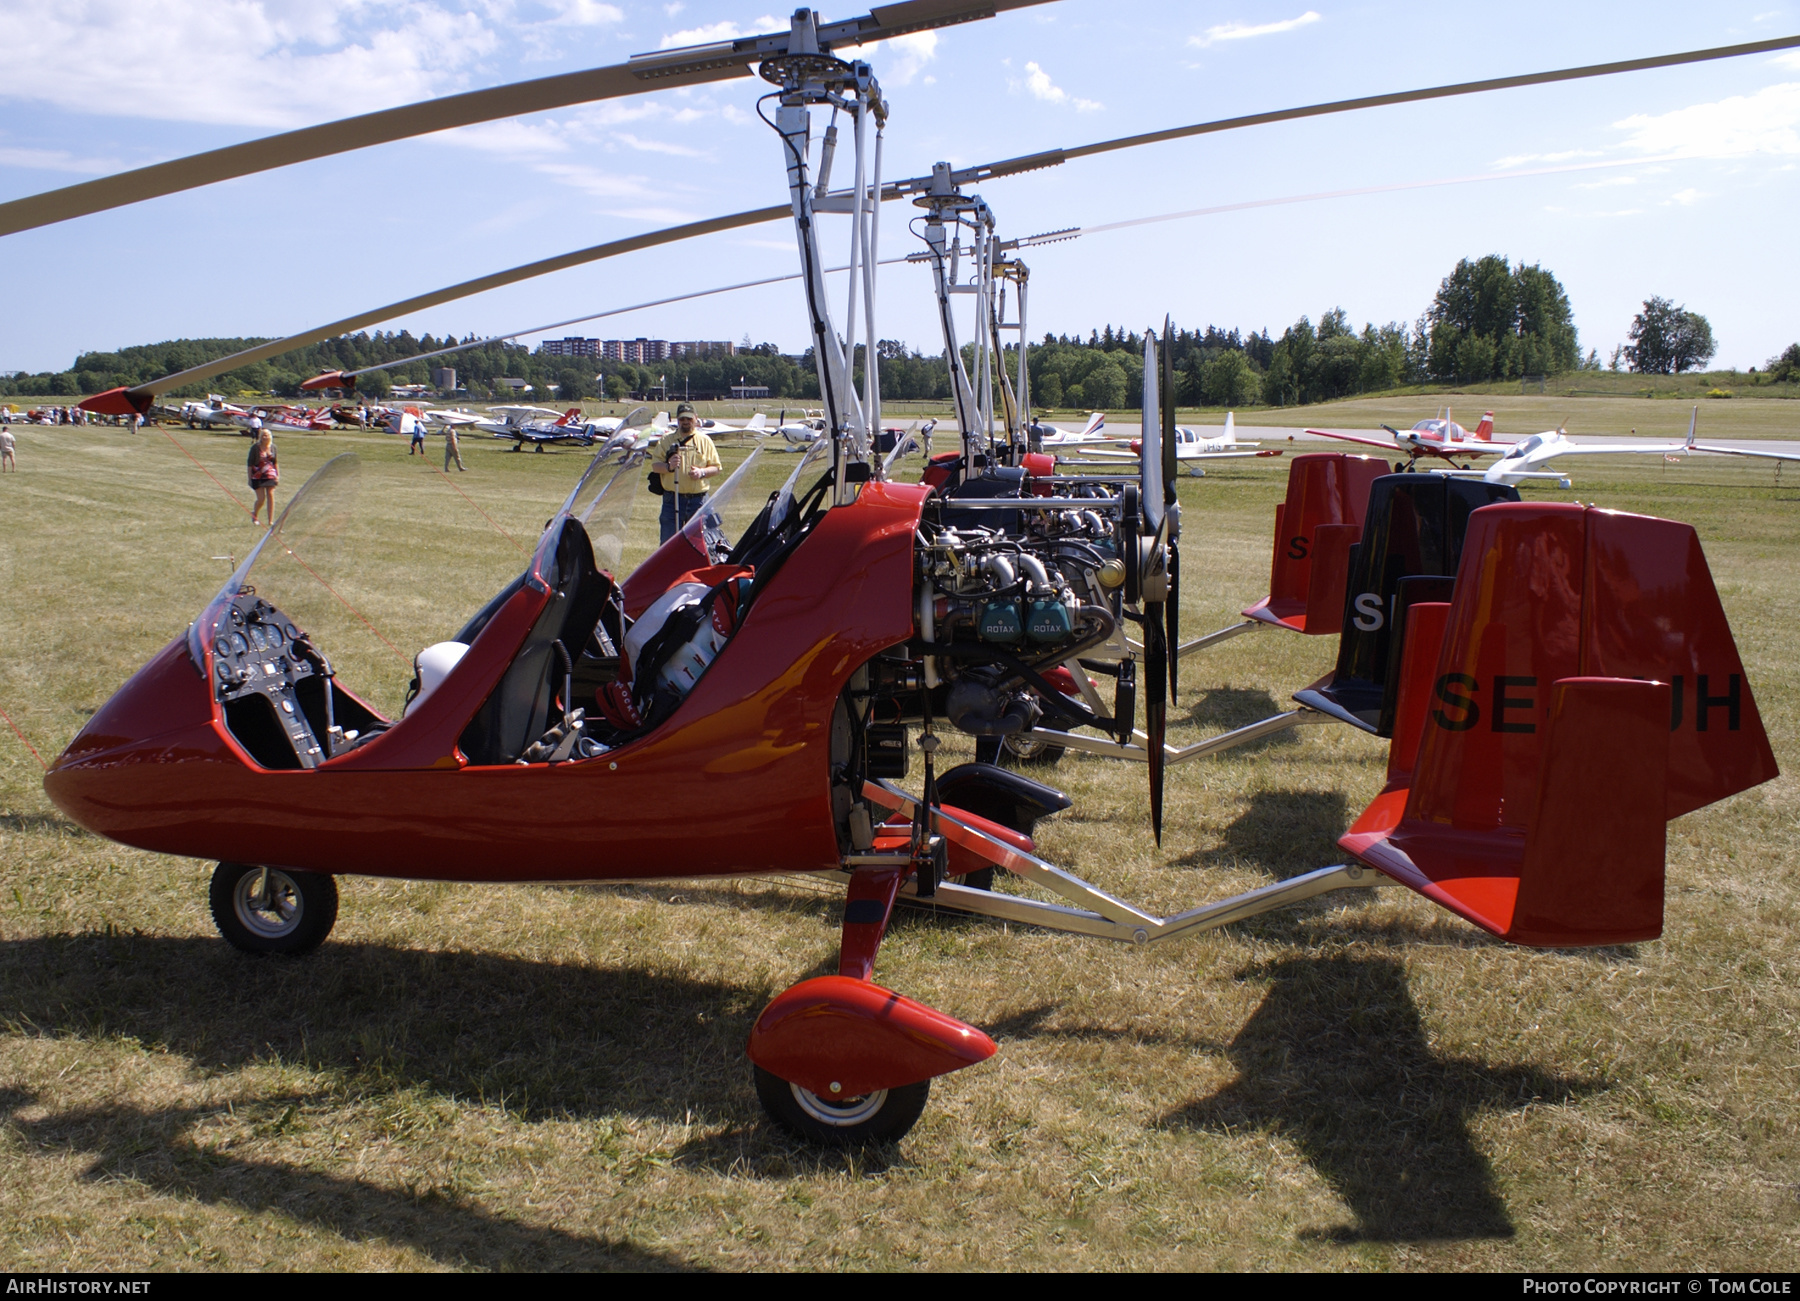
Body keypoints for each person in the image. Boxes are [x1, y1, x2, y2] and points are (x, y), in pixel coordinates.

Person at [653, 403, 721, 543]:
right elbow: (655, 466)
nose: (686, 422)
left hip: (699, 501)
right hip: (672, 500)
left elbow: (716, 468)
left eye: (689, 419)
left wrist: (702, 472)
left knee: (702, 543)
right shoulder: (666, 440)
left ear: (696, 419)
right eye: (682, 419)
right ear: (677, 420)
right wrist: (668, 466)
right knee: (668, 544)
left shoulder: (705, 441)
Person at [247, 428, 279, 526]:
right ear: (260, 437)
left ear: (270, 437)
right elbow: (249, 464)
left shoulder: (273, 447)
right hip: (257, 475)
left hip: (270, 474)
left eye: (267, 435)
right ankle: (255, 514)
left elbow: (275, 462)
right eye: (263, 435)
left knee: (271, 495)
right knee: (261, 499)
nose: (265, 437)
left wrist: (277, 475)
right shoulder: (255, 448)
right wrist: (249, 478)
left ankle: (270, 521)